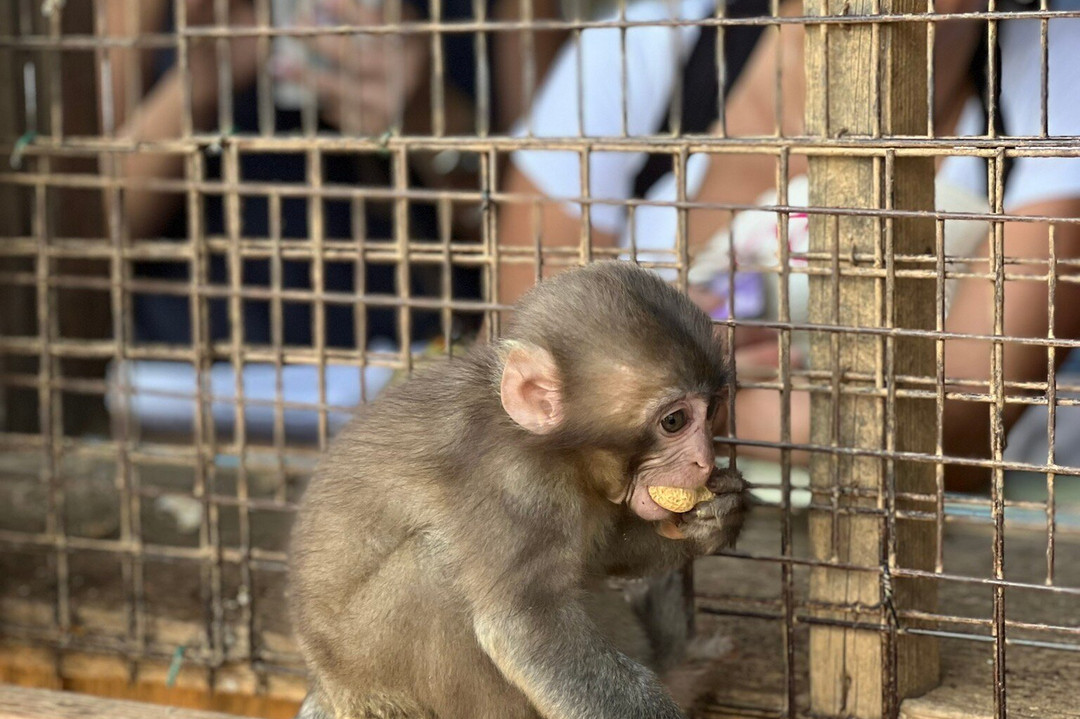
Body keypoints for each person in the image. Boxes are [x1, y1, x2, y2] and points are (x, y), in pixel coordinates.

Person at [497, 0, 1080, 490]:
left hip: (953, 542)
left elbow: (958, 430)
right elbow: (518, 367)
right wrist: (720, 390)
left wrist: (654, 388)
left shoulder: (1059, 66)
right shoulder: (649, 43)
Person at [101, 0, 565, 437]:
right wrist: (194, 87)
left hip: (415, 388)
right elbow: (89, 229)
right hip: (190, 387)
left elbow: (548, 236)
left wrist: (427, 115)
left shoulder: (515, 11)